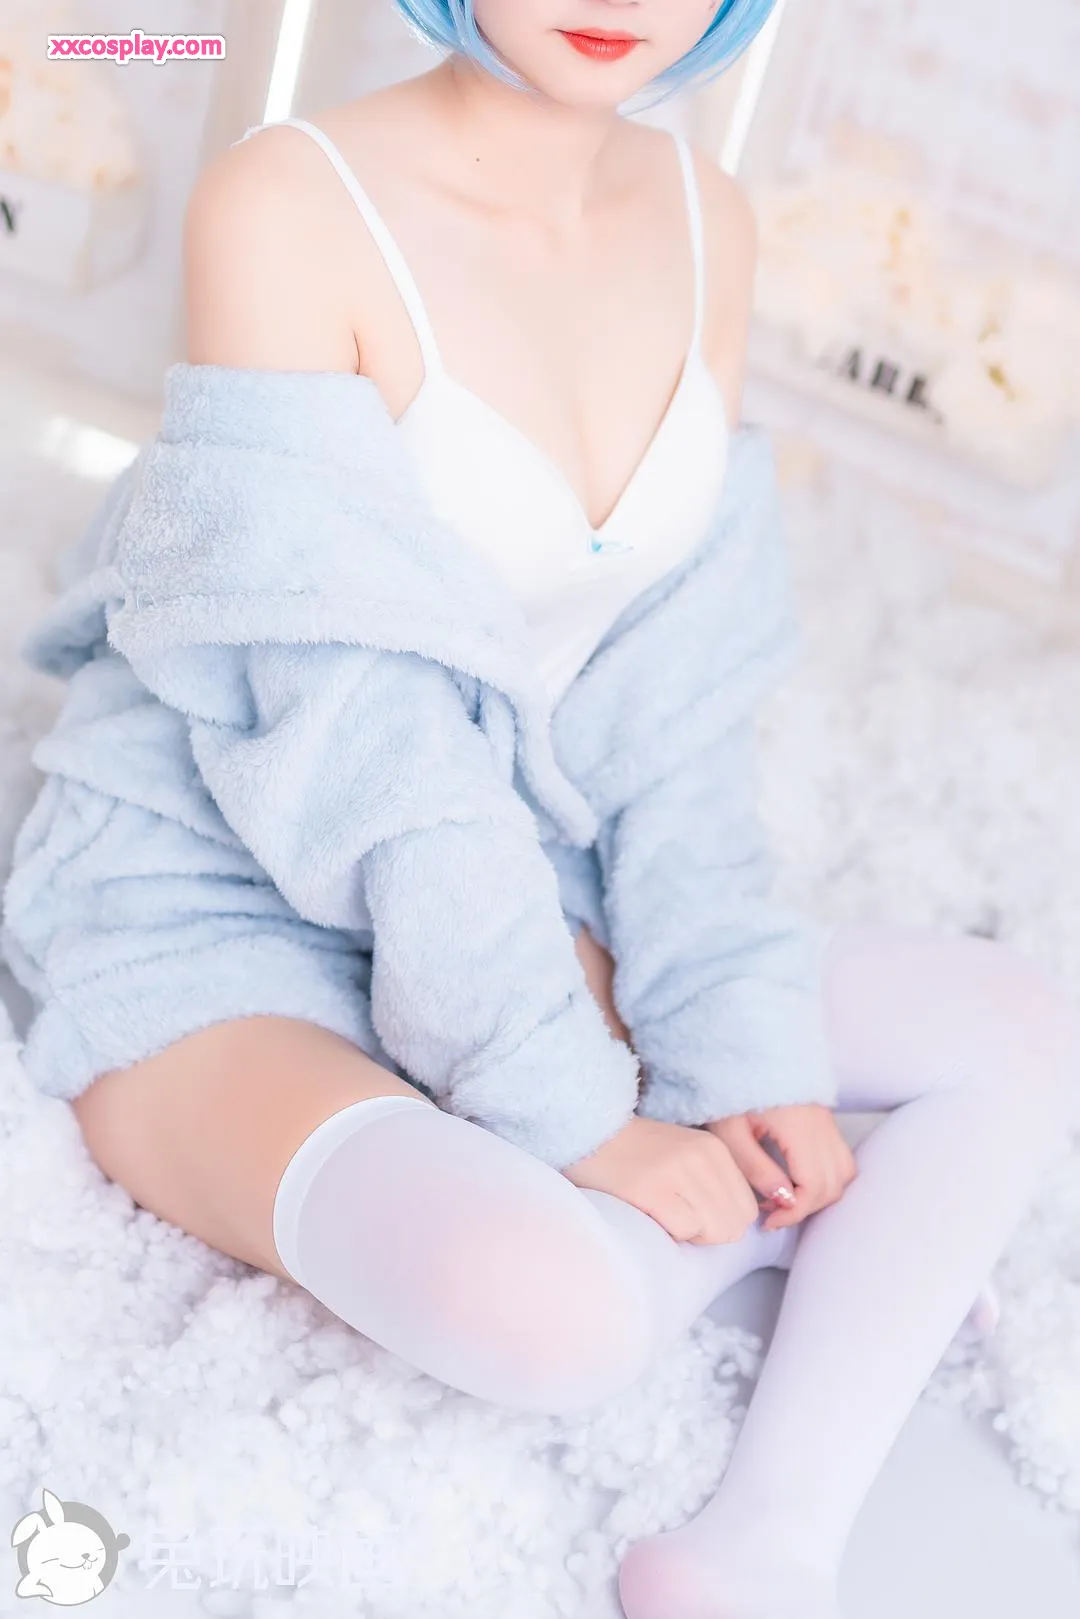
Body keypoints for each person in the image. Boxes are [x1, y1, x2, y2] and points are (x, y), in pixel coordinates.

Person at [1, 5, 1076, 1617]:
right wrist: (580, 1116)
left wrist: (738, 1053)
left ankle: (770, 1537)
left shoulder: (708, 222)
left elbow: (672, 715)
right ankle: (798, 1241)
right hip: (216, 905)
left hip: (521, 864)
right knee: (551, 1312)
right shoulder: (287, 203)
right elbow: (357, 740)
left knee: (1018, 1023)